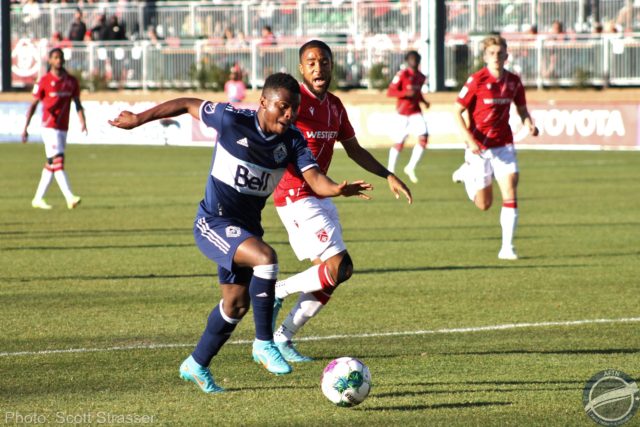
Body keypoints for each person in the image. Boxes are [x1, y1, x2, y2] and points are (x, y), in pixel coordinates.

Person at [108, 72, 373, 394]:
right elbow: (187, 103)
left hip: (246, 229)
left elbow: (315, 179)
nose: (289, 114)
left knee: (235, 305)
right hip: (213, 222)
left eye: (294, 108)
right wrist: (139, 119)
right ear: (263, 102)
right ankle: (264, 343)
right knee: (266, 258)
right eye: (283, 107)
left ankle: (196, 364)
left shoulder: (293, 140)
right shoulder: (232, 119)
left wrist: (336, 189)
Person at [271, 40, 413, 362]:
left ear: (332, 66)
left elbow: (354, 149)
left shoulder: (334, 106)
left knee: (330, 277)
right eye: (311, 63)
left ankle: (282, 338)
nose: (318, 68)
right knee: (340, 267)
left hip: (322, 194)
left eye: (324, 61)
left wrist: (388, 175)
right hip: (296, 195)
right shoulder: (293, 104)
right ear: (301, 69)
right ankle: (278, 290)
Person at [451, 35, 538, 260]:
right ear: (485, 56)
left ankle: (507, 248)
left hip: (504, 145)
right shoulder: (476, 80)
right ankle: (466, 173)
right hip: (479, 148)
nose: (496, 57)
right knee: (484, 204)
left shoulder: (514, 81)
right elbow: (456, 111)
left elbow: (522, 109)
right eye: (491, 53)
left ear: (506, 55)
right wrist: (469, 139)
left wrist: (529, 123)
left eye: (500, 53)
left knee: (510, 191)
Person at [22, 47, 86, 210]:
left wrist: (82, 121)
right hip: (49, 126)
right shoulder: (44, 81)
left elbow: (77, 102)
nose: (58, 60)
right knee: (58, 161)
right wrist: (26, 127)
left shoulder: (71, 81)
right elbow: (33, 105)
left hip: (63, 127)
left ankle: (38, 199)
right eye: (55, 57)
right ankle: (70, 197)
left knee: (51, 163)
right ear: (50, 60)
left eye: (60, 57)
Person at [386, 50, 430, 184]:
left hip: (416, 112)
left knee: (424, 138)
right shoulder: (402, 74)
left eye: (416, 60)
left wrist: (424, 101)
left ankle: (410, 167)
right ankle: (390, 171)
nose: (414, 62)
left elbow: (417, 93)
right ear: (407, 61)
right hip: (402, 113)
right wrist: (405, 93)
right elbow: (390, 92)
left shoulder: (421, 77)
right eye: (411, 59)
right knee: (399, 143)